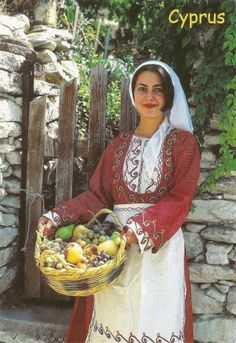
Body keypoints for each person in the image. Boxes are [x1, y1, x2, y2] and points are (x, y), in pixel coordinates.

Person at [38, 60, 200, 343]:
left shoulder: (184, 144)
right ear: (132, 94)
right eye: (142, 89)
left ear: (169, 96)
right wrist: (55, 216)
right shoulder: (118, 145)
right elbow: (98, 196)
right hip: (110, 250)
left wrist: (139, 229)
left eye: (157, 90)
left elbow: (181, 198)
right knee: (112, 319)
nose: (149, 97)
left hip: (158, 248)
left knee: (154, 320)